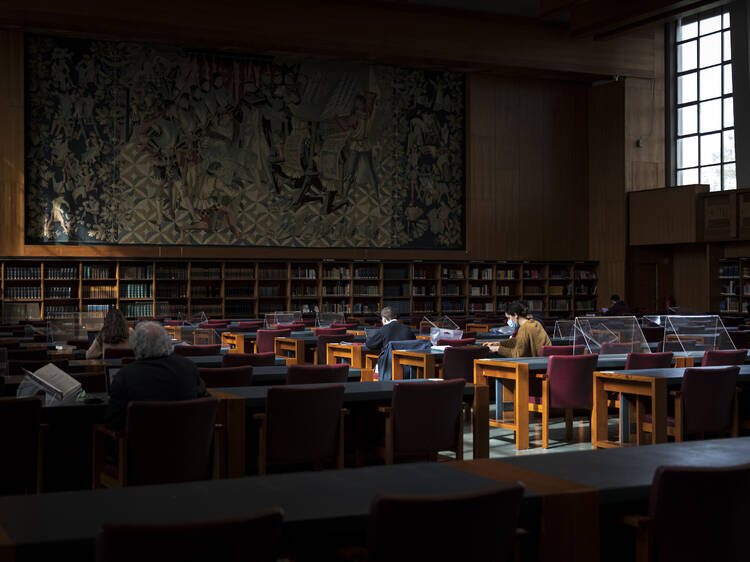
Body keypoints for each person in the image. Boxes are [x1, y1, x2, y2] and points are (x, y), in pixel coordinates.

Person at [103, 322, 208, 429]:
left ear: (135, 347)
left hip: (143, 443)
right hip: (189, 441)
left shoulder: (125, 375)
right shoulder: (188, 367)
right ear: (168, 342)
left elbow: (113, 421)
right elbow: (205, 405)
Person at [484, 301, 550, 358]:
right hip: (544, 361)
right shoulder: (535, 323)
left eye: (509, 318)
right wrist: (498, 344)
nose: (508, 321)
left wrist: (497, 349)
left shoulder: (525, 328)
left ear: (515, 315)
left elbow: (518, 354)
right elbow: (517, 341)